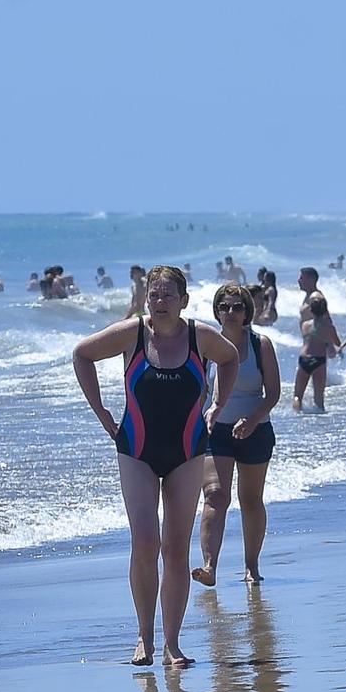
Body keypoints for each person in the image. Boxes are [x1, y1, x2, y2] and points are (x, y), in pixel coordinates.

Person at [72, 266, 241, 666]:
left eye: (168, 296)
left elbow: (231, 359)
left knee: (175, 549)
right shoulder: (131, 333)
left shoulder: (201, 337)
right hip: (136, 449)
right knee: (145, 542)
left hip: (187, 450)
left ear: (184, 300)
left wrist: (217, 405)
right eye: (154, 295)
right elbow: (81, 354)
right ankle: (144, 637)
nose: (159, 302)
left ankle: (172, 643)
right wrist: (102, 413)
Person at [196, 283, 281, 587]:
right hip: (215, 430)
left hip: (255, 429)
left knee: (251, 499)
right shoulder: (206, 346)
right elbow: (198, 391)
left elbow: (272, 394)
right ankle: (209, 566)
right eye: (224, 306)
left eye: (237, 307)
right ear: (216, 310)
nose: (230, 312)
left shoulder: (261, 345)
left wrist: (253, 419)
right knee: (216, 495)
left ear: (247, 311)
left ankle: (251, 566)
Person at [293, 298, 343, 411]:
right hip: (319, 359)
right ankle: (319, 423)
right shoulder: (329, 327)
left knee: (297, 396)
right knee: (319, 399)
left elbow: (307, 338)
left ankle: (295, 416)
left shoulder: (305, 325)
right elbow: (337, 342)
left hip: (304, 358)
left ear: (311, 310)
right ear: (326, 311)